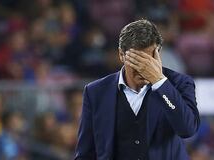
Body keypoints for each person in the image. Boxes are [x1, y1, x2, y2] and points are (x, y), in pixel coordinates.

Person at [75, 19, 200, 160]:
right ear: (121, 55)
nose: (143, 68)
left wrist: (160, 82)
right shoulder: (95, 92)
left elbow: (187, 129)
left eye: (149, 60)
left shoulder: (180, 84)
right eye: (137, 61)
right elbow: (86, 153)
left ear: (158, 54)